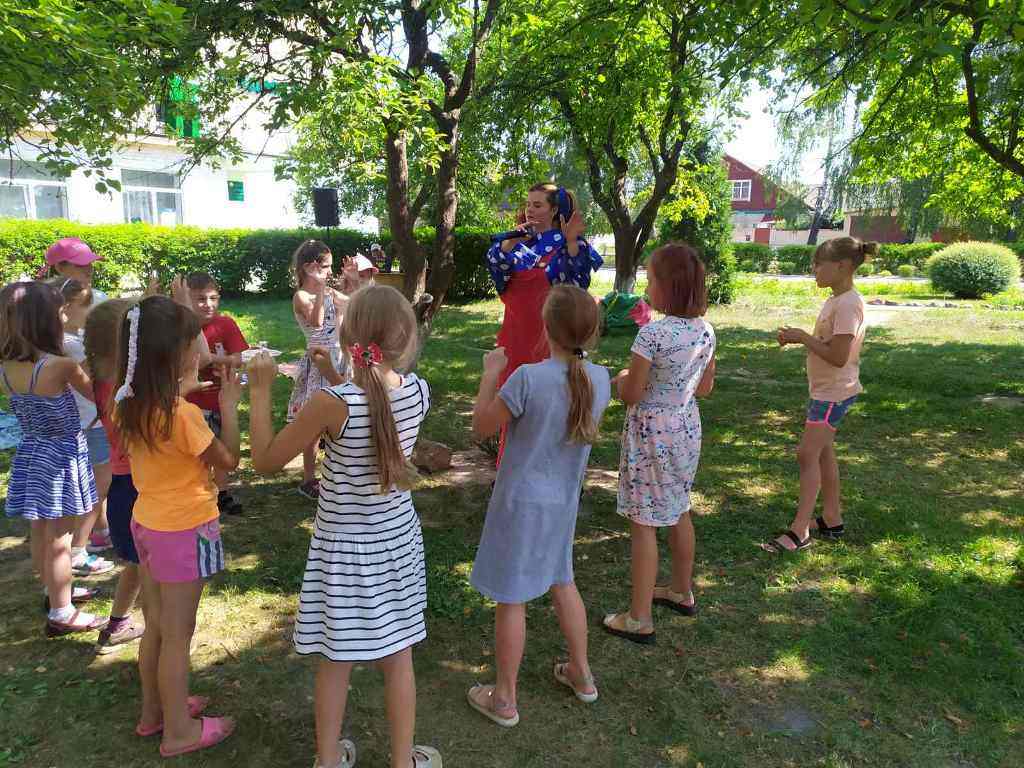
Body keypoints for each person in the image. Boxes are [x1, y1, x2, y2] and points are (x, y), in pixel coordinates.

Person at [247, 285, 441, 768]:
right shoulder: (418, 392)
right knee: (399, 656)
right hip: (397, 544)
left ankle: (329, 759)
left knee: (335, 661)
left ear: (346, 338)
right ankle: (403, 761)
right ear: (407, 339)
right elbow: (372, 405)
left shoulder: (330, 403)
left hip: (344, 553)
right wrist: (340, 377)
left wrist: (260, 389)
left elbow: (266, 461)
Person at [466, 285, 611, 727]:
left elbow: (480, 426)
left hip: (520, 505)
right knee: (562, 580)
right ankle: (581, 674)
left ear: (546, 328)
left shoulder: (528, 378)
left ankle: (504, 698)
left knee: (512, 597)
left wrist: (490, 373)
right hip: (563, 503)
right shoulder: (601, 379)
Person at [112, 295, 240, 757]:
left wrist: (181, 389)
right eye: (194, 344)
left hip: (148, 523)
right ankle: (180, 731)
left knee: (157, 626)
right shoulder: (183, 416)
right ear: (177, 355)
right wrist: (230, 406)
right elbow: (228, 460)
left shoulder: (127, 403)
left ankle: (154, 713)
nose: (201, 349)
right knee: (178, 635)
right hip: (186, 531)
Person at [602, 244, 716, 644]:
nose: (647, 287)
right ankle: (682, 591)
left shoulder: (652, 334)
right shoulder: (706, 330)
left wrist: (620, 380)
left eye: (650, 279)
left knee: (644, 521)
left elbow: (632, 393)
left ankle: (638, 617)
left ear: (668, 286)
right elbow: (705, 387)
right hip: (685, 427)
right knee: (680, 507)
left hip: (652, 432)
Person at [0, 281, 106, 636]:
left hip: (33, 452)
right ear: (44, 320)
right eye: (60, 312)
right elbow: (98, 396)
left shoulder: (5, 368)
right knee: (61, 539)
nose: (64, 317)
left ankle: (52, 591)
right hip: (62, 456)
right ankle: (62, 612)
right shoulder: (61, 365)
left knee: (40, 531)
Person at [764, 237, 874, 553]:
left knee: (807, 454)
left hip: (834, 394)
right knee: (823, 452)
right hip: (826, 391)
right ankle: (831, 518)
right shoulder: (836, 300)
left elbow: (838, 356)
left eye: (818, 264)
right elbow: (831, 346)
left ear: (841, 266)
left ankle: (800, 530)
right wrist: (799, 338)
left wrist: (802, 337)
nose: (814, 269)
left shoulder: (849, 304)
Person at [484, 183, 603, 462]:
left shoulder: (571, 245)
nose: (530, 210)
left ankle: (546, 470)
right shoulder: (520, 243)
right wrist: (509, 243)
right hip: (515, 338)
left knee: (550, 408)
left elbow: (576, 284)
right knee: (512, 407)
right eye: (528, 204)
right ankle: (507, 469)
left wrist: (570, 242)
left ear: (554, 210)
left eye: (538, 205)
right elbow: (496, 268)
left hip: (551, 341)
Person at [84, 298, 146, 653]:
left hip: (125, 486)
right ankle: (158, 638)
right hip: (138, 487)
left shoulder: (100, 378)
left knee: (136, 565)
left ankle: (117, 623)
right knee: (148, 570)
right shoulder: (126, 390)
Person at [51, 277, 117, 576]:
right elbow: (92, 383)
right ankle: (78, 548)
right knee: (98, 487)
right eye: (86, 304)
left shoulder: (64, 341)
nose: (91, 310)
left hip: (83, 421)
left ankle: (99, 533)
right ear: (66, 307)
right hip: (90, 421)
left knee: (93, 483)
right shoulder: (71, 345)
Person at [288, 240, 350, 500]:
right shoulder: (302, 296)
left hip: (338, 357)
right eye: (326, 267)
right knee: (314, 426)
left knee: (342, 416)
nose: (330, 272)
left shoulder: (329, 291)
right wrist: (324, 290)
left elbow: (355, 305)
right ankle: (308, 479)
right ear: (309, 267)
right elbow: (316, 322)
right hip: (318, 361)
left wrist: (355, 280)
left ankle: (337, 474)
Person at [185, 272, 249, 515]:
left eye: (213, 298)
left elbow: (239, 358)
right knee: (197, 451)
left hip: (221, 400)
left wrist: (216, 359)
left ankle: (222, 492)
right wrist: (209, 360)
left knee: (222, 447)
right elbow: (191, 362)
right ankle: (198, 491)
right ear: (187, 300)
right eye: (201, 299)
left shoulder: (225, 324)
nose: (208, 304)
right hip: (192, 403)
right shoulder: (183, 328)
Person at [40, 237, 109, 306]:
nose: (89, 270)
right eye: (80, 264)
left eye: (90, 262)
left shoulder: (100, 300)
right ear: (59, 268)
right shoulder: (40, 302)